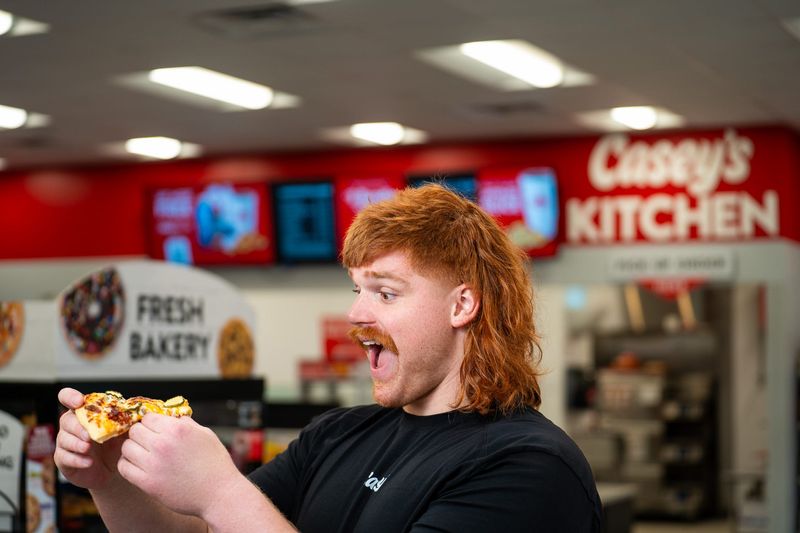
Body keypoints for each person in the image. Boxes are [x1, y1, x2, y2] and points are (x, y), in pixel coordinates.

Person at [54, 184, 602, 532]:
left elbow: (229, 510)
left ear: (462, 305)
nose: (356, 313)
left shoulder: (528, 466)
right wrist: (110, 476)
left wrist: (219, 490)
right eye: (357, 289)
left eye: (385, 292)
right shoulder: (337, 435)